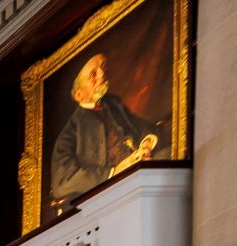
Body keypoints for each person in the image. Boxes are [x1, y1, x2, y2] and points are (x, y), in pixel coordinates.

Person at [49, 52, 160, 208]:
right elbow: (62, 181)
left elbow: (141, 125)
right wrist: (114, 171)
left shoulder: (113, 104)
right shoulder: (70, 132)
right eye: (93, 74)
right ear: (78, 94)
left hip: (140, 170)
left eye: (102, 68)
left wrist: (146, 145)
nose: (102, 74)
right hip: (110, 194)